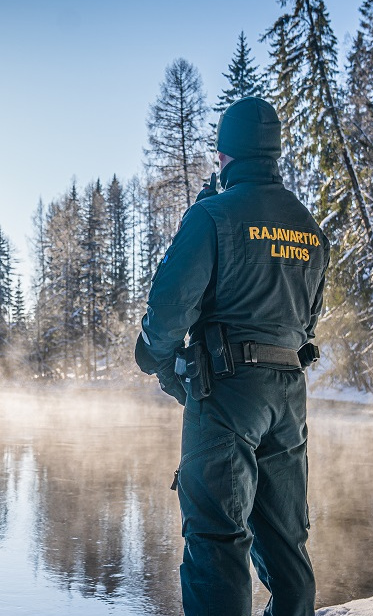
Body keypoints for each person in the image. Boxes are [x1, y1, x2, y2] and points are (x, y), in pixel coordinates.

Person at [135, 97, 328, 616]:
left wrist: (154, 356)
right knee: (287, 546)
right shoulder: (307, 228)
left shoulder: (213, 215)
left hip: (226, 394)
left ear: (225, 153)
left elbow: (170, 304)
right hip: (288, 399)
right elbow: (308, 320)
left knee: (217, 541)